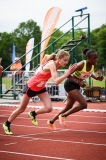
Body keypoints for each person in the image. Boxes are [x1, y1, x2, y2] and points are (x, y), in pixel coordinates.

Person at [3, 49, 77, 135]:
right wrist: (67, 73)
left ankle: (33, 113)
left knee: (49, 108)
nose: (66, 62)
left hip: (41, 87)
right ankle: (7, 123)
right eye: (65, 60)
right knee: (21, 109)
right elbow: (56, 81)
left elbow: (46, 56)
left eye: (67, 60)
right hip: (31, 87)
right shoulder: (52, 64)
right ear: (59, 58)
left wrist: (40, 67)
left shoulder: (56, 64)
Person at [47, 48, 104, 130]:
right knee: (84, 104)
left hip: (76, 86)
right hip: (70, 84)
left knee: (68, 107)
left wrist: (97, 78)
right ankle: (63, 116)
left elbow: (90, 73)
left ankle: (51, 121)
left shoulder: (93, 64)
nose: (96, 59)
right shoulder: (81, 64)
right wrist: (77, 81)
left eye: (96, 57)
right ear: (88, 58)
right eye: (94, 58)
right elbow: (68, 74)